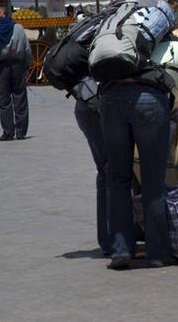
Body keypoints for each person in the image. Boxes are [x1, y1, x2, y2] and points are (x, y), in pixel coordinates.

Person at [101, 27, 178, 270]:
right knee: (153, 182)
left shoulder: (134, 47)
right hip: (149, 105)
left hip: (111, 99)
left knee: (117, 179)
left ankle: (121, 251)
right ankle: (157, 253)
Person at [72, 77, 110, 254]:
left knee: (106, 173)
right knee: (111, 173)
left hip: (86, 100)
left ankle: (110, 240)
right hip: (98, 104)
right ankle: (114, 241)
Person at [0, 7, 31, 140]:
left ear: (1, 14)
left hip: (2, 67)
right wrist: (27, 66)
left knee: (3, 99)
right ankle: (21, 131)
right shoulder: (18, 28)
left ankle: (8, 132)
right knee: (20, 97)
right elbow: (26, 49)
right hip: (18, 65)